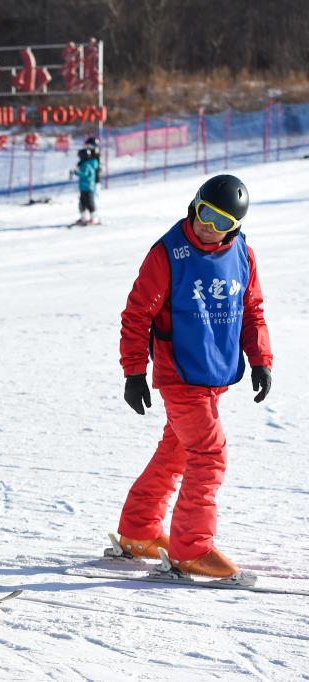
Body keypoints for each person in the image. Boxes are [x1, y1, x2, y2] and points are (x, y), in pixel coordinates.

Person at [115, 174, 272, 581]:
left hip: (213, 373)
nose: (208, 227)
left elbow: (252, 311)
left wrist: (260, 359)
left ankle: (139, 530)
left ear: (234, 227)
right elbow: (137, 316)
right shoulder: (167, 254)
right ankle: (192, 549)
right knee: (209, 454)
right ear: (193, 205)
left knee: (177, 451)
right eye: (205, 214)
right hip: (180, 375)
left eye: (222, 222)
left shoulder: (243, 254)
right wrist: (134, 372)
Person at [71, 143, 100, 226]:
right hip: (83, 187)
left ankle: (94, 218)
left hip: (88, 187)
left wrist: (77, 172)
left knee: (90, 203)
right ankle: (84, 218)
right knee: (82, 203)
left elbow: (85, 174)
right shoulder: (84, 164)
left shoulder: (87, 165)